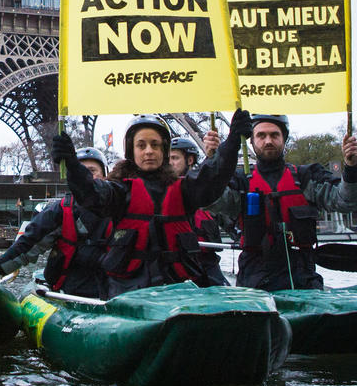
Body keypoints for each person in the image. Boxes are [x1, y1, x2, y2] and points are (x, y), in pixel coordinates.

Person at [51, 112, 252, 298]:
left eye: (155, 145)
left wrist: (232, 143)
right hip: (130, 291)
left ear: (164, 150)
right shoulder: (119, 192)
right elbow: (91, 194)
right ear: (132, 150)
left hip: (178, 287)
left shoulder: (184, 190)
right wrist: (72, 166)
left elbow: (211, 178)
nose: (149, 151)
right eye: (142, 145)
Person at [212, 114, 357, 291]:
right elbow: (211, 200)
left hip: (303, 280)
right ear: (251, 141)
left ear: (284, 139)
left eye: (274, 135)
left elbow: (346, 202)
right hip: (254, 283)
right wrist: (214, 161)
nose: (268, 141)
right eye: (261, 136)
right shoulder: (240, 182)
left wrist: (351, 167)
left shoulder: (308, 177)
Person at [0, 146, 113, 298]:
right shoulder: (61, 211)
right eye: (81, 171)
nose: (86, 177)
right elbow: (28, 243)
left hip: (111, 291)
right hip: (69, 293)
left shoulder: (120, 207)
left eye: (92, 171)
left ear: (104, 176)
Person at [169, 135, 229, 287]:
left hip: (208, 264)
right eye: (168, 158)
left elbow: (227, 218)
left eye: (175, 158)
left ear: (189, 160)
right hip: (179, 265)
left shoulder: (207, 192)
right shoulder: (164, 193)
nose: (170, 163)